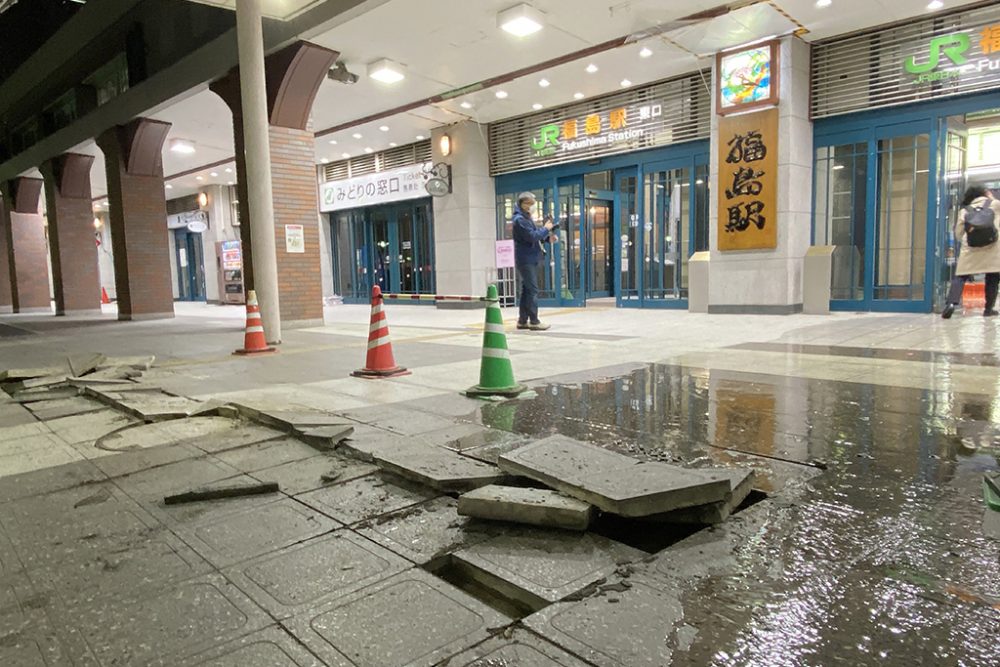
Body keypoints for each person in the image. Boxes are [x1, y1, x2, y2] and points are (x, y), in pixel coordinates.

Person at [942, 185, 1000, 319]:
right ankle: (988, 309)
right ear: (984, 193)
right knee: (992, 277)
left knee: (960, 276)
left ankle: (951, 304)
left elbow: (958, 233)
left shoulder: (965, 210)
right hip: (992, 248)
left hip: (970, 249)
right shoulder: (995, 204)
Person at [512, 192, 555, 330]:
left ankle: (523, 320)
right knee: (533, 290)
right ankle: (534, 321)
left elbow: (533, 237)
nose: (532, 207)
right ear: (522, 204)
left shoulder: (526, 218)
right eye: (530, 204)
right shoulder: (520, 220)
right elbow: (531, 236)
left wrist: (547, 238)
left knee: (527, 290)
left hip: (530, 257)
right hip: (526, 259)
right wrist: (546, 229)